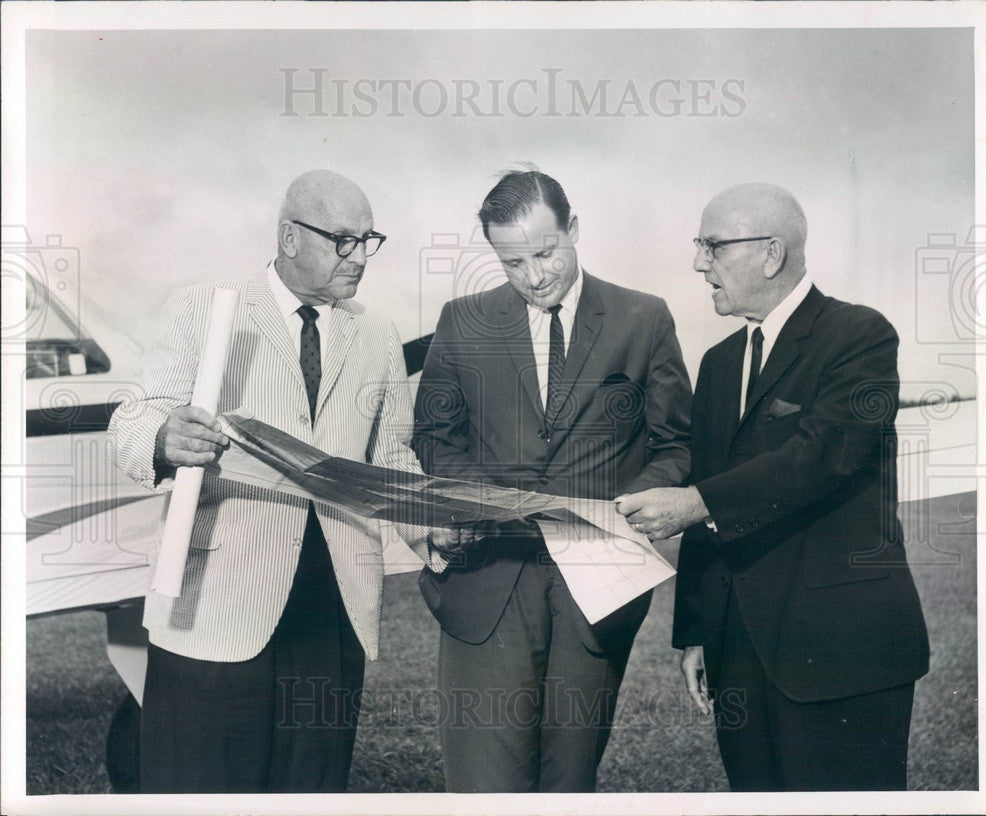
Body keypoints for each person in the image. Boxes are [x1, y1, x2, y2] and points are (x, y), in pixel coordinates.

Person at [108, 169, 442, 793]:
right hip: (215, 602)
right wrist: (163, 439)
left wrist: (432, 528)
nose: (359, 257)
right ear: (290, 237)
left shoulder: (377, 337)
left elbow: (390, 459)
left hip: (333, 606)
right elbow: (132, 418)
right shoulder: (204, 308)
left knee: (310, 789)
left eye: (369, 240)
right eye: (342, 239)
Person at [616, 182, 930, 791]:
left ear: (771, 253)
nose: (698, 263)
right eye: (698, 245)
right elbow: (710, 488)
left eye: (712, 245)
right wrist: (698, 634)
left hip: (844, 656)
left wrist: (697, 502)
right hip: (740, 654)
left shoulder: (860, 336)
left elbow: (824, 455)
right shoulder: (718, 364)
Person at [412, 169, 692, 792]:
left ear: (573, 229)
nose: (534, 276)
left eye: (545, 253)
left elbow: (674, 446)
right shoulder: (462, 321)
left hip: (597, 588)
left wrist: (626, 509)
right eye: (512, 262)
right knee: (486, 791)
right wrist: (492, 502)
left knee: (568, 786)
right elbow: (434, 438)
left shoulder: (643, 319)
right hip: (488, 582)